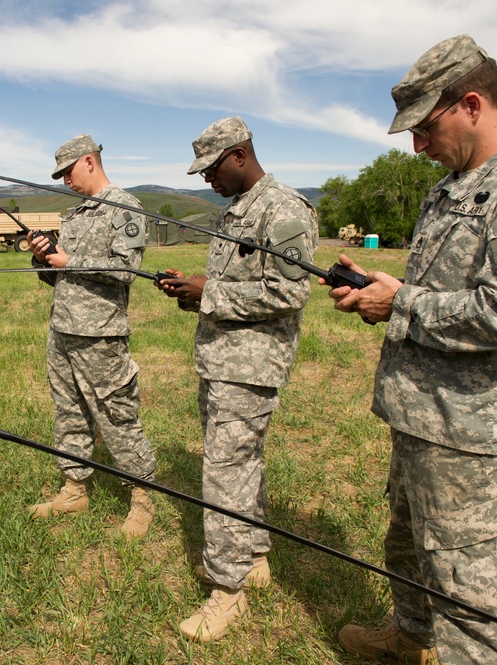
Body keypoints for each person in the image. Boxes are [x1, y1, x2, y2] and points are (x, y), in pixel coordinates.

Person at [327, 35, 497, 665]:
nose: (416, 146)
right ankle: (411, 638)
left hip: (471, 432)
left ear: (471, 104)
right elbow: (444, 295)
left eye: (424, 127)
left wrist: (402, 305)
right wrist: (381, 295)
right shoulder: (453, 187)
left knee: (480, 601)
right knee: (409, 549)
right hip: (420, 415)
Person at [156, 117, 318, 642]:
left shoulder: (285, 210)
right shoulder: (233, 213)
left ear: (240, 154)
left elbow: (289, 293)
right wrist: (194, 292)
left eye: (212, 169)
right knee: (241, 464)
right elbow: (229, 288)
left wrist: (211, 293)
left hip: (250, 369)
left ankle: (227, 593)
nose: (207, 180)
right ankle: (254, 556)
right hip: (223, 361)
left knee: (225, 473)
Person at [27, 134, 158, 538]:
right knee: (69, 411)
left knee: (116, 414)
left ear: (88, 161)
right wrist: (44, 259)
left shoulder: (126, 208)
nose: (64, 179)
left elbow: (126, 269)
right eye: (60, 174)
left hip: (101, 335)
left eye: (68, 170)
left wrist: (70, 259)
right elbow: (62, 277)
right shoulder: (76, 215)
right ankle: (74, 488)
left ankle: (142, 497)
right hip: (63, 329)